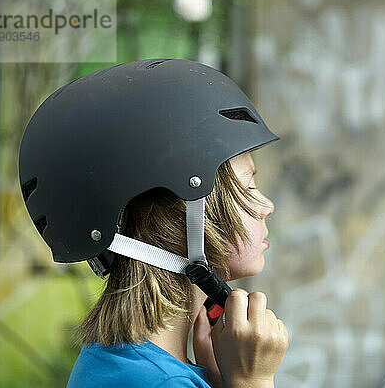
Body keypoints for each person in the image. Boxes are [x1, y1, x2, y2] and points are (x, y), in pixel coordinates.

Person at [18, 59, 288, 387]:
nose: (267, 206)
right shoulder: (158, 382)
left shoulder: (126, 364)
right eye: (248, 187)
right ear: (178, 215)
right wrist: (252, 380)